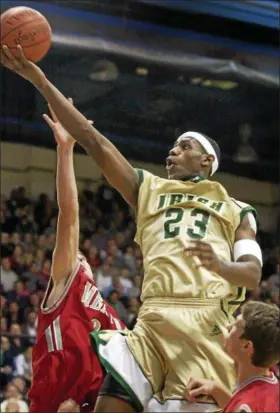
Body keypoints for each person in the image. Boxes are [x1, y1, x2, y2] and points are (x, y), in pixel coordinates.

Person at [1, 46, 262, 413]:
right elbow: (95, 141)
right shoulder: (148, 189)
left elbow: (251, 275)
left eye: (183, 146)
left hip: (204, 321)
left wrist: (220, 267)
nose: (171, 152)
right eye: (172, 146)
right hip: (151, 318)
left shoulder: (238, 210)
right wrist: (39, 80)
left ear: (206, 161)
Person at [24, 99, 125, 412]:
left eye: (80, 254)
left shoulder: (113, 317)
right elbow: (69, 214)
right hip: (56, 403)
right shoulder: (68, 281)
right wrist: (65, 150)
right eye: (73, 253)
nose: (76, 254)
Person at [185, 301, 280, 412]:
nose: (228, 326)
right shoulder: (271, 390)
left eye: (235, 325)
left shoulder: (245, 407)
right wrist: (216, 389)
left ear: (246, 345)